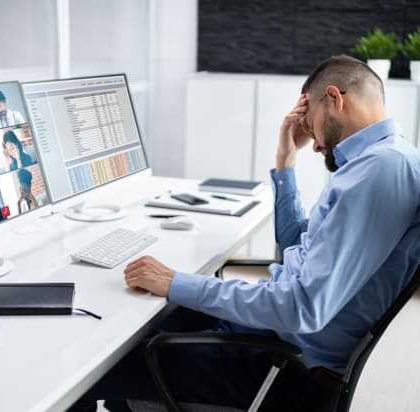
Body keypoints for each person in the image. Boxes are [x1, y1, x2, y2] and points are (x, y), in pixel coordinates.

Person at [69, 55, 420, 411]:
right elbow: (294, 248)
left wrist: (176, 281)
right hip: (274, 341)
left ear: (334, 98)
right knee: (137, 322)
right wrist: (285, 162)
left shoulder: (382, 170)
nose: (313, 143)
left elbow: (303, 308)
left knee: (89, 368)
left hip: (281, 371)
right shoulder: (375, 163)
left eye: (310, 123)